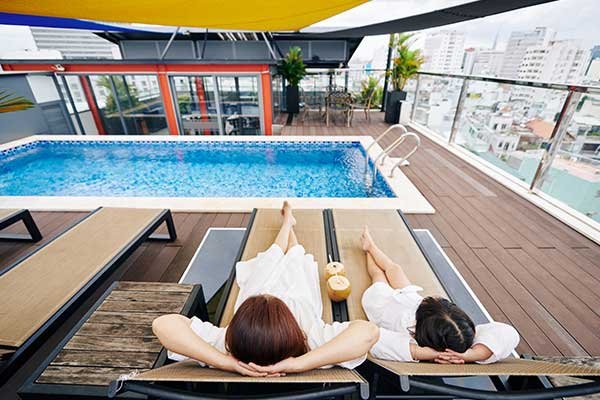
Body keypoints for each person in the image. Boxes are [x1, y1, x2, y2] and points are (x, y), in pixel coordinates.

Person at [152, 202, 379, 377]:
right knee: (296, 255)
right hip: (296, 291)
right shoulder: (310, 341)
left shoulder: (229, 346)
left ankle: (287, 223)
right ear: (296, 333)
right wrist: (299, 363)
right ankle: (288, 224)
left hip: (257, 288)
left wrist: (226, 362)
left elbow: (163, 324)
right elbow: (369, 332)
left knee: (272, 255)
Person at [360, 227, 519, 364]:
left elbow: (376, 342)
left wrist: (431, 354)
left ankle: (367, 250)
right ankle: (371, 246)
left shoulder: (409, 342)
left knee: (379, 276)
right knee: (395, 269)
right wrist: (469, 355)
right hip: (411, 302)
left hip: (384, 306)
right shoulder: (458, 338)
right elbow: (508, 333)